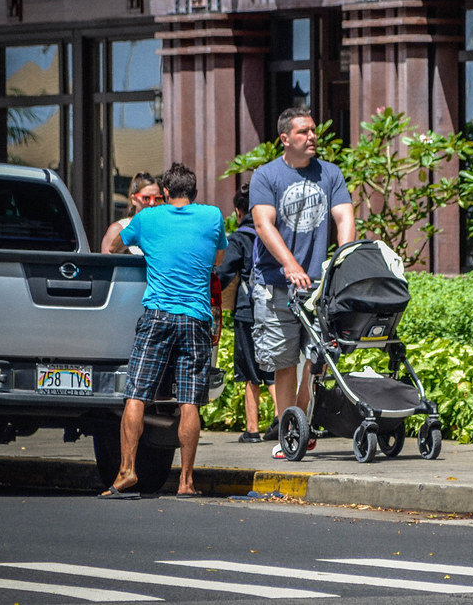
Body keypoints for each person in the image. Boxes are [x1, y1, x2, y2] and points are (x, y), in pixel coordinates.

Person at [100, 162, 227, 498]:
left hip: (158, 314)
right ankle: (186, 481)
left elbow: (113, 246)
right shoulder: (212, 216)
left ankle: (127, 471)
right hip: (196, 318)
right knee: (189, 402)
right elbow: (218, 258)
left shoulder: (148, 218)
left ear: (165, 193)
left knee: (137, 393)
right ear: (195, 192)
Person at [250, 107, 355, 459]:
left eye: (313, 131)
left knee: (317, 358)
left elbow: (344, 216)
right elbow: (264, 225)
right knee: (284, 361)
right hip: (275, 283)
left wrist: (344, 260)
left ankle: (299, 424)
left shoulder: (330, 173)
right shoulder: (267, 176)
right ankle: (289, 431)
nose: (311, 137)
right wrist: (290, 264)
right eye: (303, 132)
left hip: (317, 287)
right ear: (285, 139)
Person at [216, 184, 278, 443]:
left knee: (249, 369)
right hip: (274, 307)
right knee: (273, 367)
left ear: (239, 211)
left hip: (246, 310)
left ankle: (252, 430)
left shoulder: (239, 238)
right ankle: (283, 418)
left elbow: (225, 272)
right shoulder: (273, 233)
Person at [101, 172, 164, 254]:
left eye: (157, 199)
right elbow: (107, 263)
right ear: (134, 199)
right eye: (146, 198)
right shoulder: (119, 229)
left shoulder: (164, 227)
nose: (152, 203)